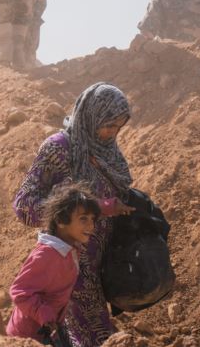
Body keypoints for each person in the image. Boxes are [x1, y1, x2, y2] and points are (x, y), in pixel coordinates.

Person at [13, 82, 136, 347]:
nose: (112, 133)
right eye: (108, 125)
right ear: (91, 116)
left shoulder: (109, 153)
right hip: (65, 268)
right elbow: (23, 205)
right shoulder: (59, 148)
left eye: (118, 127)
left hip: (99, 268)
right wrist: (91, 208)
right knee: (94, 337)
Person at [7, 183, 101, 343]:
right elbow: (19, 291)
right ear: (60, 220)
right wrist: (44, 314)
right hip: (28, 336)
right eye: (83, 219)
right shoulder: (47, 255)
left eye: (92, 219)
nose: (91, 225)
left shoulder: (70, 249)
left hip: (49, 329)